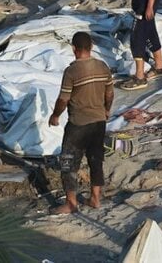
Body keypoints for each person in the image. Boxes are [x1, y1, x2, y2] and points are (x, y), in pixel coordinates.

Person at [48, 32, 114, 213]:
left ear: (74, 49)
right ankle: (95, 199)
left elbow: (63, 99)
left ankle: (71, 203)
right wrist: (107, 109)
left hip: (78, 124)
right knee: (96, 160)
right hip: (99, 122)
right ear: (91, 47)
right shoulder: (102, 66)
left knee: (68, 162)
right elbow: (109, 93)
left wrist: (55, 116)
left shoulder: (72, 71)